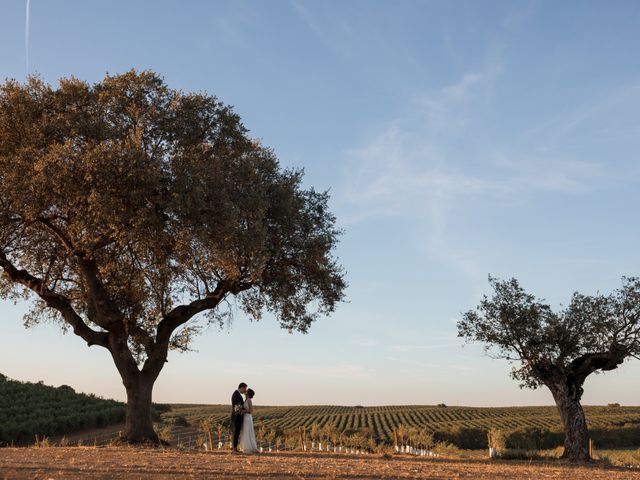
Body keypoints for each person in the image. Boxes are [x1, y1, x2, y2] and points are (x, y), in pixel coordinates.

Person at [238, 388, 258, 453]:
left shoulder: (249, 400)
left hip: (248, 418)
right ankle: (244, 446)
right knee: (244, 431)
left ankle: (248, 447)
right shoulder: (246, 400)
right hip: (245, 417)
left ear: (247, 393)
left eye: (246, 391)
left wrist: (243, 411)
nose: (245, 391)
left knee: (247, 431)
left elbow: (251, 410)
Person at [231, 382, 247, 452]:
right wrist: (245, 410)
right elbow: (237, 407)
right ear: (242, 387)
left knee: (237, 432)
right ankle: (234, 448)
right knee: (236, 432)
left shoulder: (237, 394)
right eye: (245, 389)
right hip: (236, 417)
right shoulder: (236, 395)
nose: (245, 390)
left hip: (238, 417)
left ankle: (234, 447)